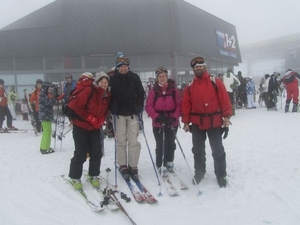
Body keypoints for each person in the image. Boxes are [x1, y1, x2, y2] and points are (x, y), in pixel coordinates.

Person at [181, 57, 232, 188]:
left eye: (200, 66)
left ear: (205, 67)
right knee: (197, 150)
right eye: (196, 67)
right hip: (197, 123)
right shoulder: (190, 86)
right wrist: (186, 122)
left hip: (214, 122)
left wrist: (226, 118)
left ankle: (221, 174)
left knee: (217, 150)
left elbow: (225, 100)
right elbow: (186, 105)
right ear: (193, 70)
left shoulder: (215, 82)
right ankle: (199, 172)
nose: (198, 68)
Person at [109, 52, 145, 181]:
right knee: (121, 141)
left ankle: (133, 165)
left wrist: (140, 106)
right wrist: (111, 106)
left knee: (133, 141)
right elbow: (109, 96)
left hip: (132, 114)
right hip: (119, 115)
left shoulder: (134, 77)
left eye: (126, 66)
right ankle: (123, 164)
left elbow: (141, 93)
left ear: (128, 67)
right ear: (117, 67)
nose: (123, 68)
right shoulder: (113, 79)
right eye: (121, 66)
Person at [68, 72, 107, 190]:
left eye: (106, 82)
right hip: (80, 126)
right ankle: (75, 177)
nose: (104, 84)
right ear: (97, 82)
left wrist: (100, 119)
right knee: (80, 153)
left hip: (94, 128)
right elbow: (78, 107)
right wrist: (91, 118)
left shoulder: (106, 95)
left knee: (96, 152)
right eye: (101, 82)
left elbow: (104, 110)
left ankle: (94, 175)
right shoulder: (89, 91)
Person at [145, 67, 182, 175]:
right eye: (160, 77)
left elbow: (179, 105)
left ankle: (169, 161)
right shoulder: (153, 91)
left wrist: (174, 117)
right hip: (158, 122)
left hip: (172, 121)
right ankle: (160, 163)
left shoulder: (173, 90)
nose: (162, 78)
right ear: (157, 78)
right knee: (161, 144)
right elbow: (148, 106)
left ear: (167, 77)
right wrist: (156, 116)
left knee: (171, 143)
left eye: (164, 76)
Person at [38, 81, 59, 154]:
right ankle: (45, 148)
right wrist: (57, 99)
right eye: (49, 88)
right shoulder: (43, 95)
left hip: (46, 116)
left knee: (46, 132)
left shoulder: (44, 94)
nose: (50, 90)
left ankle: (43, 146)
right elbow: (49, 102)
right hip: (45, 116)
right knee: (47, 132)